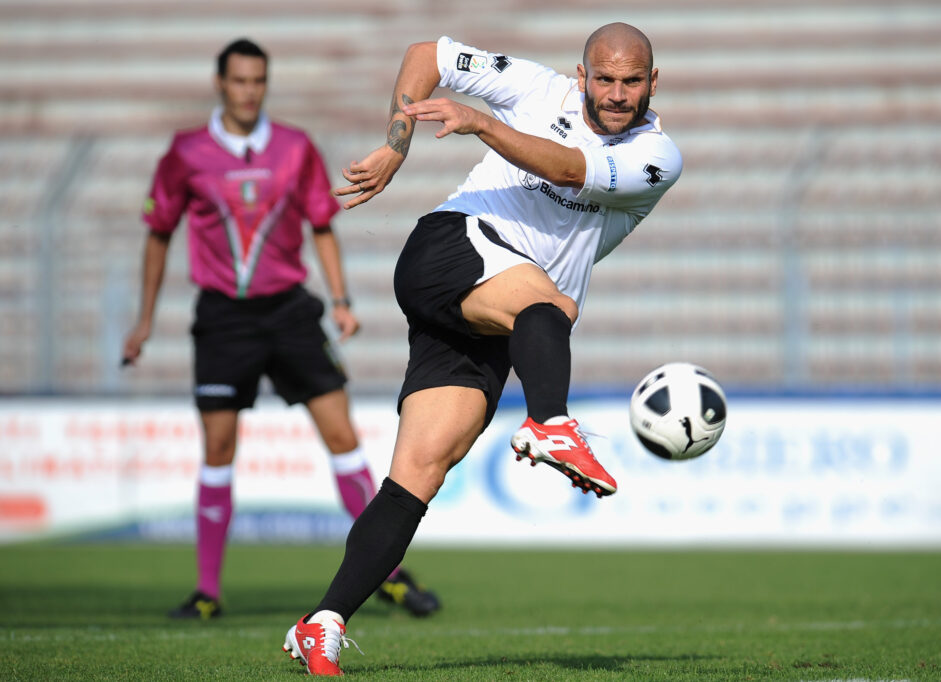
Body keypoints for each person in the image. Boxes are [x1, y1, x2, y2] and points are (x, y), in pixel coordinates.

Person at [281, 22, 681, 675]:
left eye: (630, 81)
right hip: (451, 249)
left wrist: (482, 124)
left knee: (418, 475)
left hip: (495, 319)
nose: (615, 93)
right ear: (582, 75)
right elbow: (425, 56)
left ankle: (320, 623)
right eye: (603, 78)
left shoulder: (658, 155)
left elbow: (570, 168)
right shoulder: (538, 91)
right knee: (546, 302)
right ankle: (550, 424)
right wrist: (396, 145)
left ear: (652, 83)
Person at [121, 37, 440, 621]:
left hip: (291, 313)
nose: (249, 91)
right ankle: (208, 592)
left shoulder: (295, 147)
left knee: (342, 438)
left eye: (258, 81)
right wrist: (142, 322)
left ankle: (389, 576)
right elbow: (158, 233)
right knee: (218, 448)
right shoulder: (186, 152)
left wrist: (340, 300)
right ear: (221, 84)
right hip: (223, 318)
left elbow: (322, 223)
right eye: (239, 81)